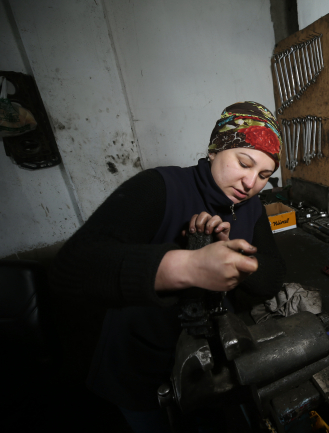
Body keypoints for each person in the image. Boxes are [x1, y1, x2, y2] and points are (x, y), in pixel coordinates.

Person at [49, 101, 287, 432]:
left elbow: (271, 278)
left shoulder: (252, 208)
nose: (250, 184)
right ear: (216, 149)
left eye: (264, 175)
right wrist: (185, 264)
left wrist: (233, 260)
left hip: (207, 369)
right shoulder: (160, 187)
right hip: (140, 370)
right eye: (243, 163)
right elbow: (71, 267)